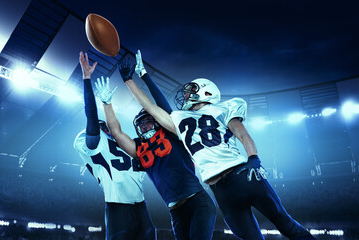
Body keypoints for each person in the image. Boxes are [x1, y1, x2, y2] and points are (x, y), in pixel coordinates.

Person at [123, 50, 316, 240]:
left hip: (242, 174)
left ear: (207, 92)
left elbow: (242, 134)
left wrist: (253, 158)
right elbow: (151, 108)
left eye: (192, 91)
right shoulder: (180, 119)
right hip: (220, 190)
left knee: (285, 223)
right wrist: (131, 80)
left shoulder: (220, 108)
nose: (187, 94)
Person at [94, 54, 216, 240]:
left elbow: (156, 105)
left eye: (149, 122)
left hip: (197, 202)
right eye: (141, 124)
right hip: (175, 212)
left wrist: (142, 76)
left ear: (158, 122)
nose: (145, 126)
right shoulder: (138, 147)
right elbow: (117, 133)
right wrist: (106, 104)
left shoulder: (171, 132)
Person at [73, 51, 156, 240]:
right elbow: (92, 118)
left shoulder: (126, 143)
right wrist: (87, 79)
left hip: (142, 207)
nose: (106, 131)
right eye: (103, 128)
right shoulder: (96, 144)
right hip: (118, 209)